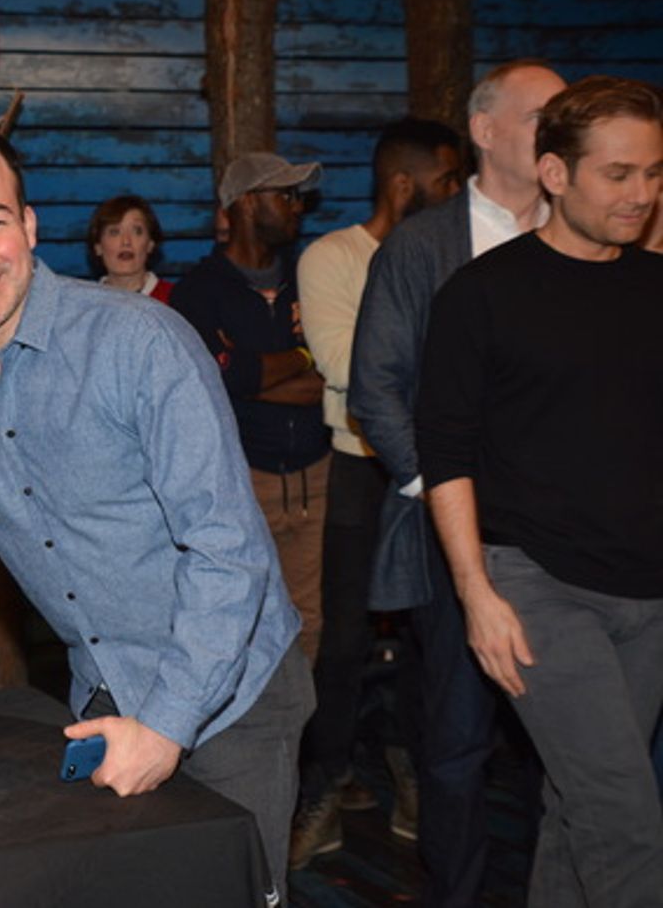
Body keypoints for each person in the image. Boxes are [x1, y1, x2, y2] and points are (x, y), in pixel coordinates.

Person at [0, 120, 314, 904]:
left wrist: (169, 724)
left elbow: (228, 547)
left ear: (30, 226)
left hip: (231, 695)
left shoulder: (141, 342)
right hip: (105, 691)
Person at [417, 75, 663, 908]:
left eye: (653, 173)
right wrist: (475, 592)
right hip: (537, 586)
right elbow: (445, 452)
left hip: (648, 593)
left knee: (578, 807)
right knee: (627, 821)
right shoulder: (482, 294)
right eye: (618, 174)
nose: (641, 194)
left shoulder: (655, 285)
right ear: (556, 173)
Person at [348, 58, 566, 908]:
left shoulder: (584, 233)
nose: (560, 129)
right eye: (542, 115)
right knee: (457, 741)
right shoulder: (422, 244)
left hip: (571, 535)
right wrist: (443, 491)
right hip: (458, 535)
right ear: (484, 130)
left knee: (571, 743)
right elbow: (375, 387)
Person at [289, 117, 463, 868]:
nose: (456, 193)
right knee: (345, 642)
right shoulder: (332, 256)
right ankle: (326, 785)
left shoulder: (453, 254)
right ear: (403, 184)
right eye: (446, 180)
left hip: (439, 464)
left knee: (433, 636)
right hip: (361, 466)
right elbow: (345, 365)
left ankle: (412, 773)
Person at [170, 152, 330, 662]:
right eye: (285, 195)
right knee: (242, 621)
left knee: (310, 619)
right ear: (244, 204)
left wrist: (249, 375)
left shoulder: (310, 278)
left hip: (316, 478)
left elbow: (332, 379)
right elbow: (218, 379)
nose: (297, 206)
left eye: (298, 196)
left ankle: (302, 716)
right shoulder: (198, 291)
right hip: (242, 482)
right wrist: (303, 356)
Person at [85, 194, 175, 303]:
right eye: (115, 232)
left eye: (137, 231)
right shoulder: (85, 304)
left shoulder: (176, 299)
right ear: (98, 247)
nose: (126, 241)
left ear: (150, 244)